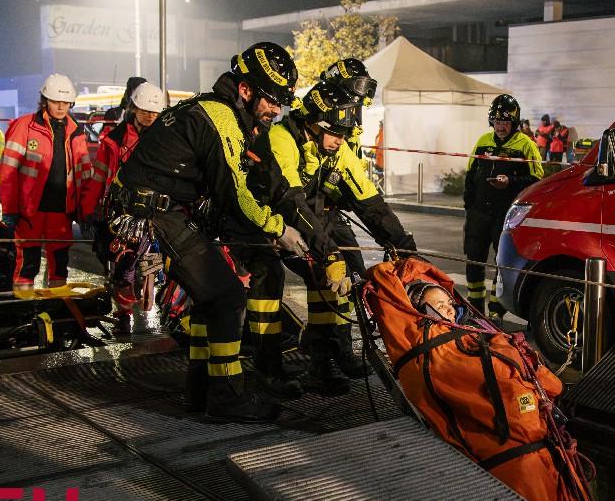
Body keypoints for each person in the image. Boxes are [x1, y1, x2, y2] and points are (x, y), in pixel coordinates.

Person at [117, 41, 307, 423]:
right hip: (152, 215)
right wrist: (278, 228)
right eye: (271, 99)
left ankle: (200, 391)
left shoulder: (221, 112)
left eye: (281, 102)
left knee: (209, 296)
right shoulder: (221, 117)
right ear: (246, 90)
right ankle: (226, 397)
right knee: (227, 294)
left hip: (158, 210)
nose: (276, 110)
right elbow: (234, 193)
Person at [248, 81, 416, 397]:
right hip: (259, 226)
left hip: (297, 224)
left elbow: (368, 198)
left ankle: (320, 363)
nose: (341, 142)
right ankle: (267, 371)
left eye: (344, 134)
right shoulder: (282, 140)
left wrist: (403, 246)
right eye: (336, 133)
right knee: (267, 287)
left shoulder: (333, 148)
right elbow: (290, 199)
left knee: (325, 282)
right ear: (315, 122)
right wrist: (328, 251)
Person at [80, 82, 168, 328]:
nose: (149, 115)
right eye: (144, 110)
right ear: (133, 108)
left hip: (154, 216)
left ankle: (150, 312)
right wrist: (89, 211)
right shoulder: (114, 142)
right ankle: (125, 315)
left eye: (154, 112)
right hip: (122, 215)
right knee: (124, 268)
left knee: (151, 268)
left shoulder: (168, 141)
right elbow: (99, 178)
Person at [0, 74, 92, 288]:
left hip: (61, 211)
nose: (60, 106)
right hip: (29, 212)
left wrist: (85, 209)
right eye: (55, 101)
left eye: (65, 102)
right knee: (27, 265)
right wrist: (10, 210)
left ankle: (57, 310)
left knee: (60, 266)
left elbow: (84, 174)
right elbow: (8, 173)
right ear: (44, 100)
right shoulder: (25, 127)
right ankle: (24, 310)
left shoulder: (76, 131)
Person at [463, 95, 543, 315]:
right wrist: (469, 206)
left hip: (506, 215)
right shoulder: (483, 141)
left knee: (502, 263)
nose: (500, 126)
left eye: (505, 122)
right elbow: (470, 175)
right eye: (496, 122)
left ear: (514, 123)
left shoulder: (526, 146)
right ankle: (474, 306)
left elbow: (537, 180)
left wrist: (511, 183)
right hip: (479, 214)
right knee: (474, 259)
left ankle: (496, 310)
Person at [318, 57, 379, 281]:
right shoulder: (315, 122)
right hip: (309, 216)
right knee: (326, 275)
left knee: (356, 273)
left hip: (332, 212)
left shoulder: (351, 129)